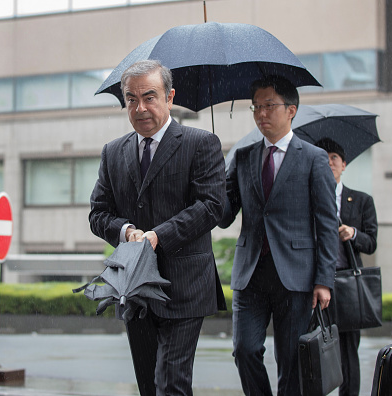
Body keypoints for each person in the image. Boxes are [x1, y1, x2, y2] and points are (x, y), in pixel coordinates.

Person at [89, 60, 226, 396]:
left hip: (186, 285)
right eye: (131, 99)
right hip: (135, 288)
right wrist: (127, 231)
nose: (140, 107)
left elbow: (212, 206)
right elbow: (98, 214)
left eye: (149, 97)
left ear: (170, 97)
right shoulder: (113, 152)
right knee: (149, 384)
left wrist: (157, 236)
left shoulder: (201, 143)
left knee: (172, 382)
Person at [218, 75, 338, 395]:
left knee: (291, 361)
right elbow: (224, 217)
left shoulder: (313, 158)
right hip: (251, 273)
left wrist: (324, 279)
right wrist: (213, 184)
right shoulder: (242, 157)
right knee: (244, 350)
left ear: (291, 110)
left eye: (269, 106)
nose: (261, 114)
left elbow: (327, 223)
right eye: (255, 107)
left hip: (297, 275)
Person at [315, 138, 378, 396]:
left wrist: (352, 233)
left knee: (348, 350)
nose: (329, 162)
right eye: (323, 158)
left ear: (344, 165)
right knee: (311, 346)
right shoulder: (308, 198)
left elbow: (371, 243)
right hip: (315, 283)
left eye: (334, 158)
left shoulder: (361, 200)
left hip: (345, 283)